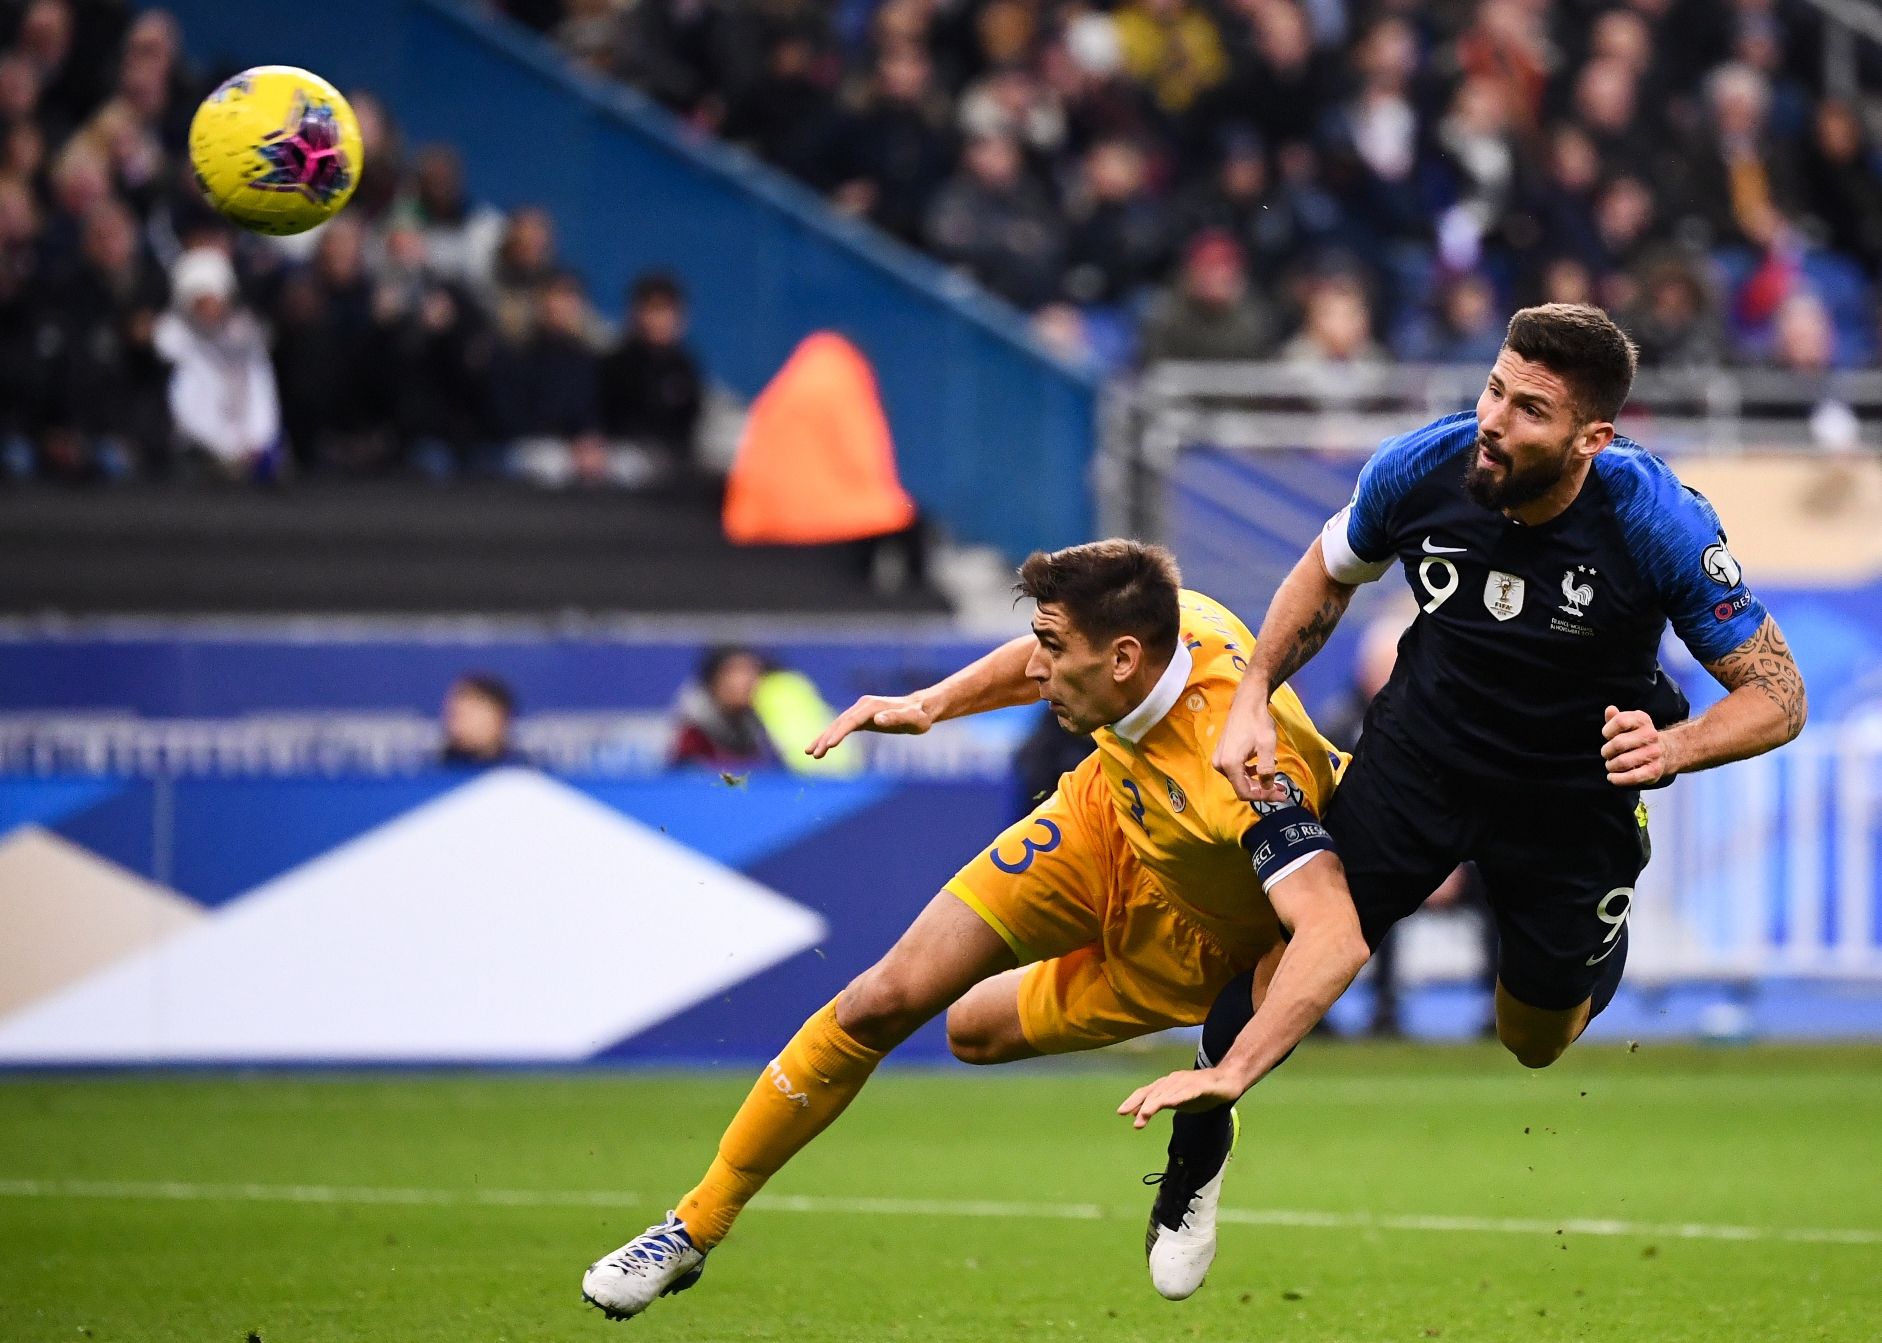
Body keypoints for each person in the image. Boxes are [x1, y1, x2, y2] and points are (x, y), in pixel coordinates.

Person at [581, 541, 1370, 1319]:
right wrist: (931, 704)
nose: (1040, 669)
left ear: (1124, 659)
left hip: (1192, 935)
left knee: (975, 1032)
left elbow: (1332, 932)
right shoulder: (1173, 619)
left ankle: (1202, 1139)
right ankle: (691, 1226)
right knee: (882, 999)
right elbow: (1032, 659)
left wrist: (1233, 1070)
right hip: (1098, 821)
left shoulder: (1247, 773)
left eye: (1057, 650)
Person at [1192, 300, 1804, 1103]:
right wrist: (1254, 693)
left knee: (1533, 1038)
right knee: (1299, 943)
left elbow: (1780, 694)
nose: (1493, 421)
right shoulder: (1420, 467)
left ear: (1593, 439)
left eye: (1530, 410)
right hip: (1425, 752)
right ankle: (1193, 1165)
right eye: (1493, 390)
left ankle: (1586, 945)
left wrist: (1673, 747)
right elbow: (1326, 570)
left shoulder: (1656, 519)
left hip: (1573, 787)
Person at [439, 674, 519, 767]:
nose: (462, 719)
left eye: (474, 708)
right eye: (455, 713)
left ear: (500, 717)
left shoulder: (524, 776)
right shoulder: (428, 773)